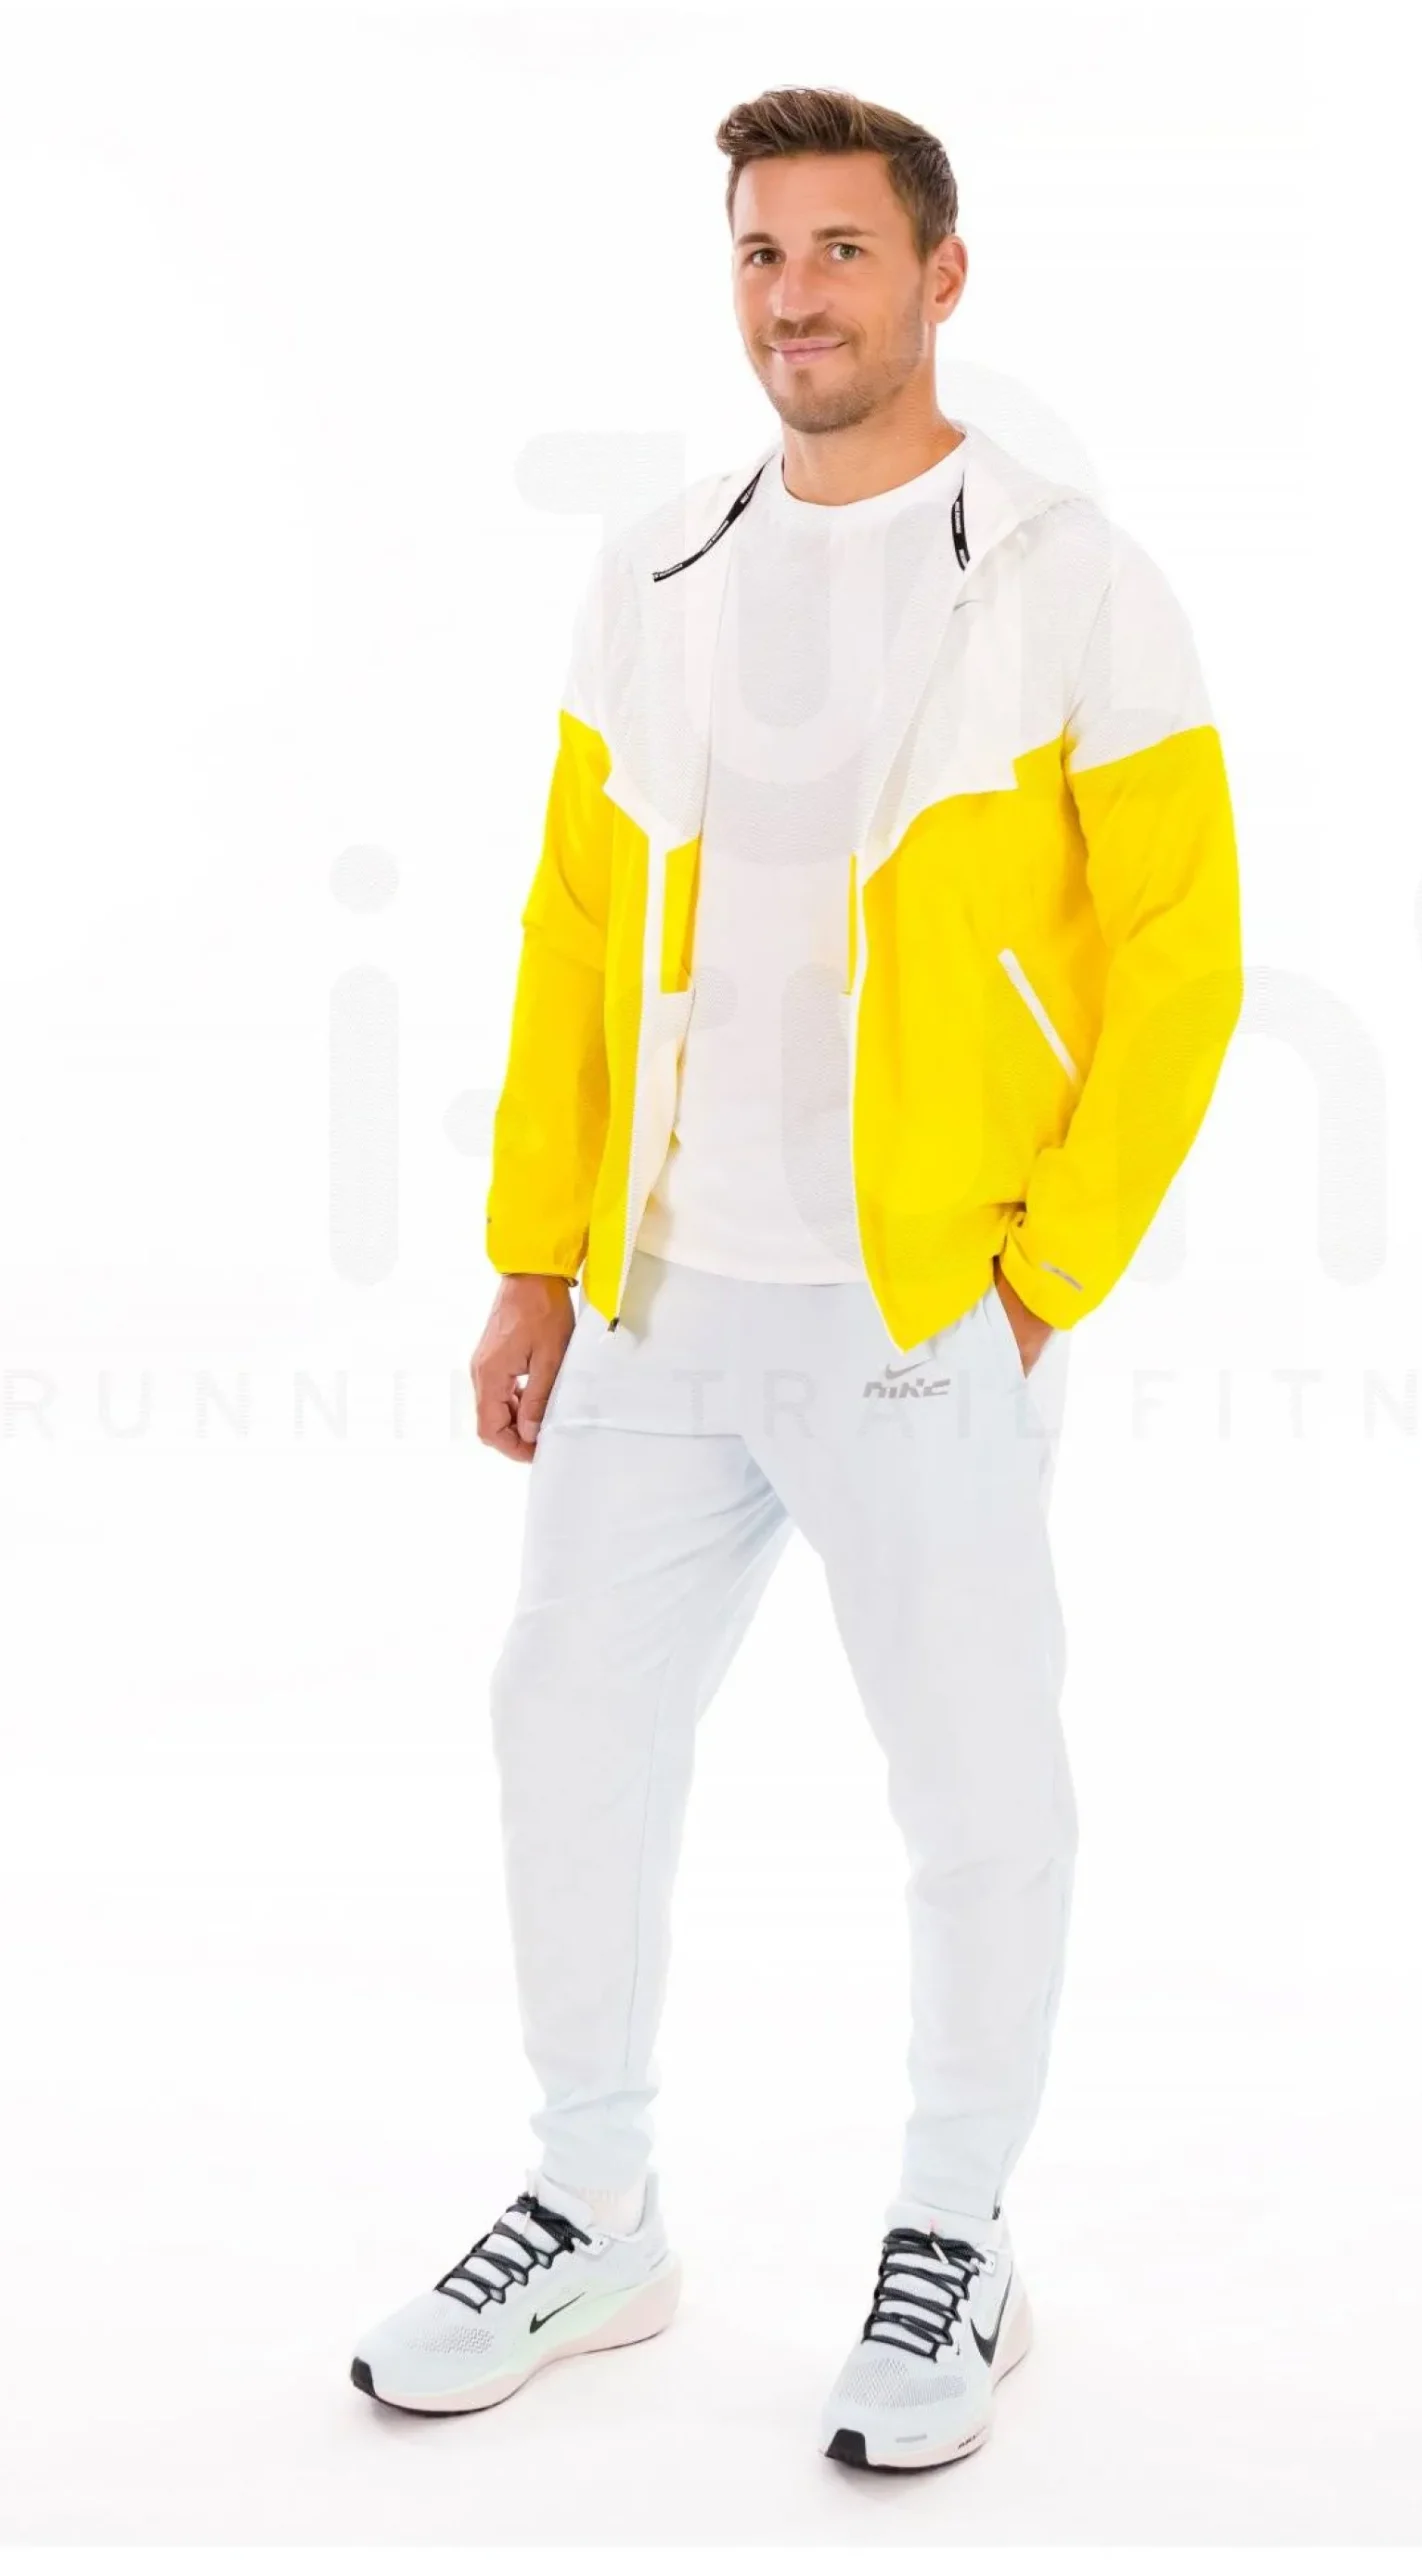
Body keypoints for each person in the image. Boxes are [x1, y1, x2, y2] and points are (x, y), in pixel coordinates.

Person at [351, 82, 1241, 2468]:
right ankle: (592, 2200)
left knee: (970, 1778)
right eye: (761, 251)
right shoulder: (654, 569)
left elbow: (1183, 958)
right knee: (564, 1724)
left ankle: (956, 2226)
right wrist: (531, 1258)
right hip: (658, 1297)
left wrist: (1038, 1271)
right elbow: (571, 934)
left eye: (843, 250)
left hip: (913, 1305)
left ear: (940, 276)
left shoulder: (1067, 575)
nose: (796, 296)